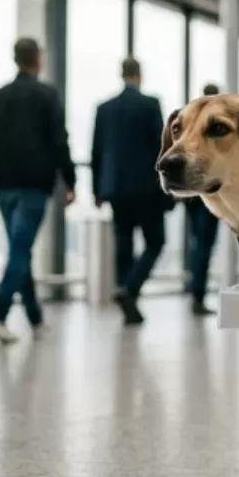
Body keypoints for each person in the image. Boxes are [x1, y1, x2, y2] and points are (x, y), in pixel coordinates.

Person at [0, 37, 76, 344]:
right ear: (38, 60)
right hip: (33, 185)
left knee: (21, 249)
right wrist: (70, 181)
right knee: (20, 249)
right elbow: (59, 140)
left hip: (3, 184)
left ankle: (34, 318)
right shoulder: (46, 95)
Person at [90, 57, 172, 325]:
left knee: (123, 244)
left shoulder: (105, 109)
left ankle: (127, 294)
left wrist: (97, 190)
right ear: (139, 75)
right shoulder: (150, 105)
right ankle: (131, 288)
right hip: (146, 188)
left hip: (115, 188)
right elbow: (162, 149)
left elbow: (97, 152)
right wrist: (169, 187)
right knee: (156, 241)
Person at [183, 83, 222, 315]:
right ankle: (197, 293)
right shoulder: (217, 129)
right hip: (209, 192)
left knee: (197, 243)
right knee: (204, 245)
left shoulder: (190, 123)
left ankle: (194, 288)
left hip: (191, 192)